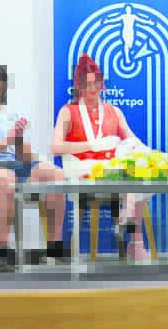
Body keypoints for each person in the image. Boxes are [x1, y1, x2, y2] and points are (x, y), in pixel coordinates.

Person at [0, 60, 68, 272]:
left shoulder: (12, 115)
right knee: (5, 178)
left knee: (57, 175)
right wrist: (5, 141)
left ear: (3, 86)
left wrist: (18, 139)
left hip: (17, 165)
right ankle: (5, 251)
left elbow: (25, 157)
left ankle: (54, 248)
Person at [52, 54, 153, 262]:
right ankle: (134, 235)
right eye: (87, 84)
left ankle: (133, 235)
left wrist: (151, 154)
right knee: (132, 181)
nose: (93, 88)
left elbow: (132, 139)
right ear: (79, 86)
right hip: (83, 172)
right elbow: (56, 147)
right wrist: (92, 145)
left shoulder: (114, 111)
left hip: (114, 173)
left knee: (141, 171)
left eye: (96, 82)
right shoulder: (68, 111)